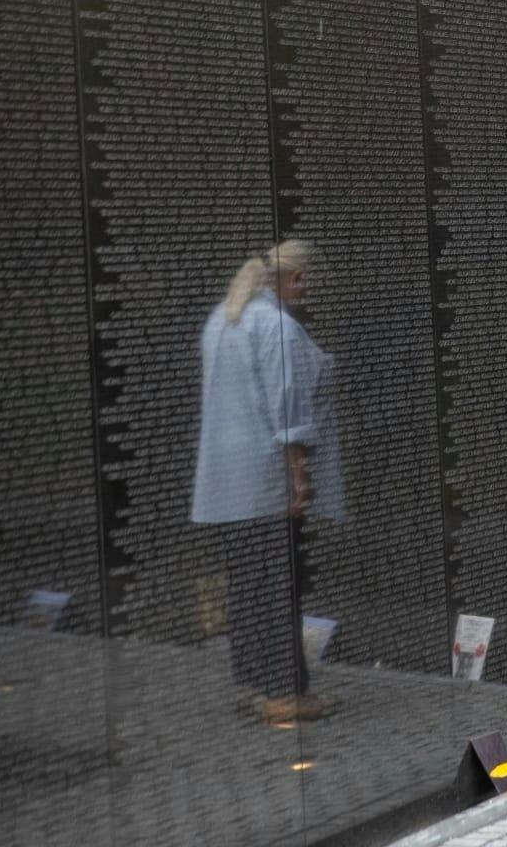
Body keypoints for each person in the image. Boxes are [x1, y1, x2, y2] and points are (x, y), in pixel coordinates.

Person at [192, 240, 341, 725]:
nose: (307, 291)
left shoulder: (224, 318)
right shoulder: (277, 326)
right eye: (305, 281)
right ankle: (283, 692)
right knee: (278, 583)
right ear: (293, 279)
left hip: (227, 481)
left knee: (249, 583)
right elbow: (289, 408)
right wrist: (299, 479)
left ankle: (251, 684)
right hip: (263, 475)